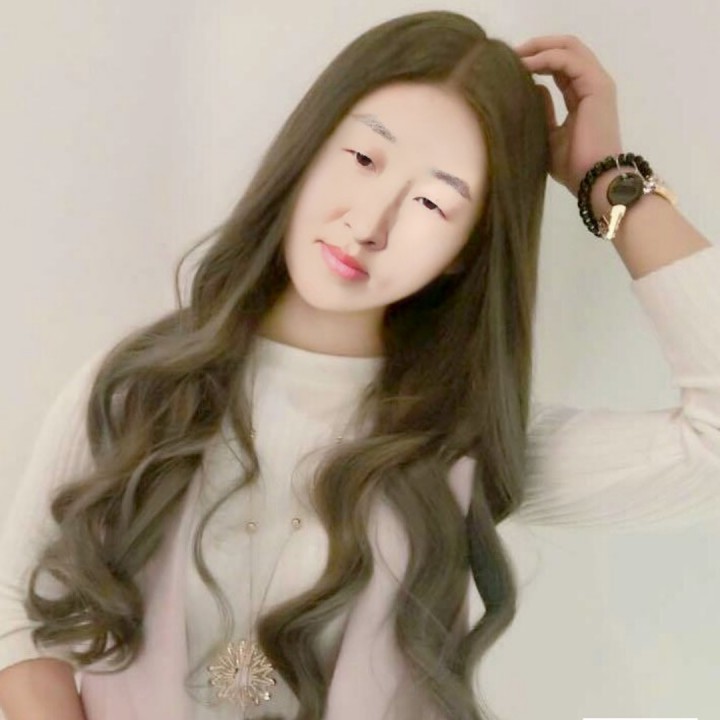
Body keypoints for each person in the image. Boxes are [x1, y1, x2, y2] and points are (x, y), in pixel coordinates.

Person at [1, 10, 718, 720]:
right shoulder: (141, 388)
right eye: (365, 160)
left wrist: (609, 180)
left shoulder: (464, 439)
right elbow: (17, 613)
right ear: (309, 151)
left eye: (433, 202)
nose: (369, 223)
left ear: (465, 252)